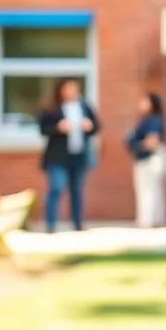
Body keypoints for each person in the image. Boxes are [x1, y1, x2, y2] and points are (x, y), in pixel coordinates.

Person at [38, 78, 100, 232]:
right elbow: (43, 129)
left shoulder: (84, 107)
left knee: (77, 190)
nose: (71, 92)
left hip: (78, 156)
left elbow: (97, 126)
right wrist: (58, 128)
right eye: (68, 88)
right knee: (57, 188)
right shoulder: (53, 108)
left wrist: (89, 127)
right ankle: (50, 225)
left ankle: (77, 223)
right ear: (60, 90)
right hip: (58, 157)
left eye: (74, 88)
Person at [127, 92, 166, 228]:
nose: (141, 104)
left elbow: (152, 140)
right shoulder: (145, 120)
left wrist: (137, 146)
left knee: (147, 190)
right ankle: (154, 220)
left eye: (145, 101)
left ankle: (146, 222)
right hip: (147, 158)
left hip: (149, 159)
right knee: (152, 189)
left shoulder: (154, 120)